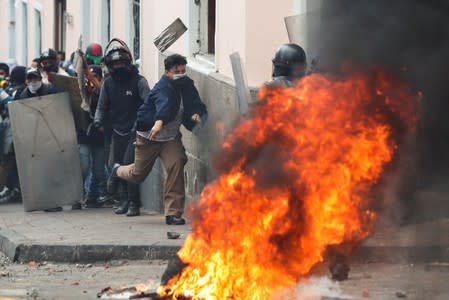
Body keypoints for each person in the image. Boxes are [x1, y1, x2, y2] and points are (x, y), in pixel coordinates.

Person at [107, 54, 207, 225]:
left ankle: (173, 213)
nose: (181, 74)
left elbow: (195, 103)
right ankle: (117, 170)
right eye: (177, 71)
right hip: (149, 137)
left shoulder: (187, 85)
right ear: (167, 72)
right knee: (137, 174)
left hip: (170, 138)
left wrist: (197, 115)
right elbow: (164, 104)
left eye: (183, 70)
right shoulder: (162, 87)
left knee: (177, 163)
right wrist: (159, 121)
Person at [94, 40, 150, 217]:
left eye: (122, 63)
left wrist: (141, 123)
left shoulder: (139, 81)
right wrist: (98, 120)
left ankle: (134, 203)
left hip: (135, 131)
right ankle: (123, 199)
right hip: (116, 130)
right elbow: (102, 106)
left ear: (128, 62)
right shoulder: (108, 83)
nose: (119, 66)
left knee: (129, 167)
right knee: (115, 165)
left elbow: (148, 104)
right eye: (115, 63)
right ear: (110, 65)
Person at [76, 65, 109, 209]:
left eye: (94, 77)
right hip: (84, 136)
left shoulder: (103, 92)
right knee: (82, 165)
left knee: (99, 170)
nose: (90, 81)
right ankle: (77, 195)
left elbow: (104, 95)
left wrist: (94, 82)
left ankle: (92, 196)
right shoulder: (81, 95)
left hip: (98, 137)